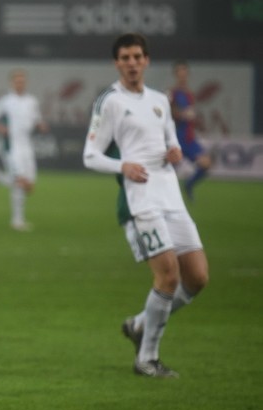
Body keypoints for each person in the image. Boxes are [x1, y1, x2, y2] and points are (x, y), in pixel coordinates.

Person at [83, 33, 210, 378]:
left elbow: (172, 142)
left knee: (197, 277)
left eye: (137, 56)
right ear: (117, 63)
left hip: (170, 196)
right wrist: (121, 166)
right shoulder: (109, 101)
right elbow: (90, 155)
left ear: (146, 60)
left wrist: (175, 152)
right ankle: (147, 359)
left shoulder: (159, 100)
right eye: (125, 57)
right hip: (141, 201)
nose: (132, 62)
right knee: (168, 275)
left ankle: (140, 323)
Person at [0, 69, 49, 231]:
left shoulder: (32, 101)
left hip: (27, 146)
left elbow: (37, 120)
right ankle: (17, 221)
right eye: (17, 81)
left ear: (25, 82)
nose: (20, 83)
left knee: (30, 184)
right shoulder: (6, 101)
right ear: (12, 83)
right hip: (12, 147)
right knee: (21, 182)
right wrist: (2, 129)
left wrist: (41, 126)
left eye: (22, 80)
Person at [168, 60, 211, 202]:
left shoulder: (190, 94)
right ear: (176, 75)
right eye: (180, 72)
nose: (183, 75)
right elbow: (168, 114)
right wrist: (182, 115)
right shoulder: (172, 93)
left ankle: (188, 184)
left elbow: (191, 115)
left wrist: (193, 119)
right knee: (168, 173)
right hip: (176, 139)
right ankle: (167, 198)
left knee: (206, 164)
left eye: (185, 72)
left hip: (189, 138)